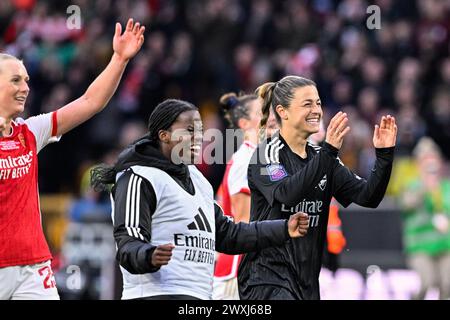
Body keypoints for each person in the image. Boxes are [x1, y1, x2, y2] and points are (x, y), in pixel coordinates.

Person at [90, 99, 309, 300]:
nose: (199, 138)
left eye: (201, 131)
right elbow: (128, 242)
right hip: (155, 294)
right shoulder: (139, 176)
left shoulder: (198, 180)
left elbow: (228, 234)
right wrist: (148, 255)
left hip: (201, 296)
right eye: (189, 130)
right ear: (164, 135)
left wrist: (283, 229)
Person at [0, 18, 145, 300]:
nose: (25, 88)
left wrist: (119, 59)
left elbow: (90, 102)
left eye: (27, 81)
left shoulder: (29, 132)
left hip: (32, 267)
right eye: (15, 80)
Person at [238, 75, 397, 300]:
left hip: (307, 284)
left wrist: (384, 155)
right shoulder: (267, 154)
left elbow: (368, 197)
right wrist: (329, 151)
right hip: (266, 278)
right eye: (307, 104)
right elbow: (286, 194)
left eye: (319, 103)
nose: (317, 110)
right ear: (283, 112)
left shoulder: (322, 157)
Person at [213, 92, 263, 300]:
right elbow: (243, 223)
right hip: (238, 268)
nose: (272, 116)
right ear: (244, 123)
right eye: (262, 112)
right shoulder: (246, 159)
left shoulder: (263, 157)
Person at [400, 137, 450, 300]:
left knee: (448, 284)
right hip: (420, 245)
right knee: (426, 283)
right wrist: (425, 187)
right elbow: (407, 204)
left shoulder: (446, 186)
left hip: (445, 244)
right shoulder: (412, 186)